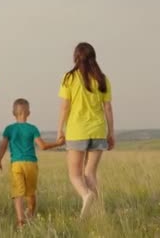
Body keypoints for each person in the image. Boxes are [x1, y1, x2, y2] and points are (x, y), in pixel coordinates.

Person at [57, 42, 114, 219]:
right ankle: (98, 212)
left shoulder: (69, 78)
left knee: (75, 174)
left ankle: (85, 195)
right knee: (90, 173)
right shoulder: (103, 79)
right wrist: (111, 133)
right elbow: (108, 108)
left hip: (77, 131)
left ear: (76, 57)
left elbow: (65, 107)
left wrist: (60, 129)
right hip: (98, 131)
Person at [0, 99, 64, 228]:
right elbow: (42, 146)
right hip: (31, 164)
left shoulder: (9, 129)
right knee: (30, 192)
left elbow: (3, 146)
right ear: (28, 113)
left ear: (13, 113)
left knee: (17, 193)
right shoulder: (32, 129)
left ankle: (21, 221)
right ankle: (30, 215)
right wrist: (58, 144)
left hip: (16, 164)